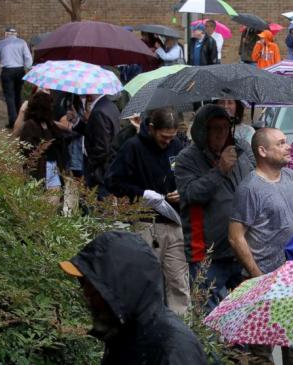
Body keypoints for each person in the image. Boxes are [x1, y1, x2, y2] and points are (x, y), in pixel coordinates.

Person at [58, 231, 206, 364]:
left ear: (121, 289)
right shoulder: (125, 331)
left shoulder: (173, 349)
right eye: (84, 284)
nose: (86, 294)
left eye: (94, 287)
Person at [228, 127, 293, 364]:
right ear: (262, 150)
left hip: (292, 277)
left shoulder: (291, 176)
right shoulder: (250, 188)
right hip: (262, 277)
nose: (288, 146)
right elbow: (235, 236)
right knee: (261, 350)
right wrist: (257, 276)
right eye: (280, 143)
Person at [105, 108, 189, 315]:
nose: (167, 142)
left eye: (171, 137)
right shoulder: (133, 147)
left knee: (179, 282)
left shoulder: (177, 146)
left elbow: (187, 175)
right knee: (148, 281)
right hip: (147, 223)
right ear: (151, 128)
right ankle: (148, 323)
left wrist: (183, 190)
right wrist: (142, 194)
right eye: (164, 137)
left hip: (175, 222)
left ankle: (183, 327)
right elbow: (113, 181)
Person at [175, 105, 255, 311]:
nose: (222, 133)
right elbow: (191, 194)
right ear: (203, 130)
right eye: (216, 128)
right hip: (207, 252)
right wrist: (219, 170)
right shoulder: (187, 158)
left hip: (241, 248)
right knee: (207, 315)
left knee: (245, 311)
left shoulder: (242, 151)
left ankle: (239, 345)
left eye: (226, 128)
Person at [19, 91, 66, 190]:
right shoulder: (30, 125)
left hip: (53, 166)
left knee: (55, 198)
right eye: (50, 105)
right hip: (40, 168)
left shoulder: (49, 123)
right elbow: (27, 150)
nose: (52, 108)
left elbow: (60, 140)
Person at [74, 93, 120, 193]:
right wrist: (77, 122)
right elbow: (94, 133)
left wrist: (90, 164)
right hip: (106, 168)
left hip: (99, 171)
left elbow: (102, 147)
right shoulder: (109, 105)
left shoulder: (99, 111)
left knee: (94, 204)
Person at [0, 27, 32, 129]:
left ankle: (13, 122)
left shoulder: (2, 43)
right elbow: (28, 57)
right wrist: (28, 68)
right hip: (19, 70)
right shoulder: (22, 42)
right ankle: (20, 119)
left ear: (6, 34)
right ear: (16, 34)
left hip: (7, 71)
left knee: (9, 97)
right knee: (18, 95)